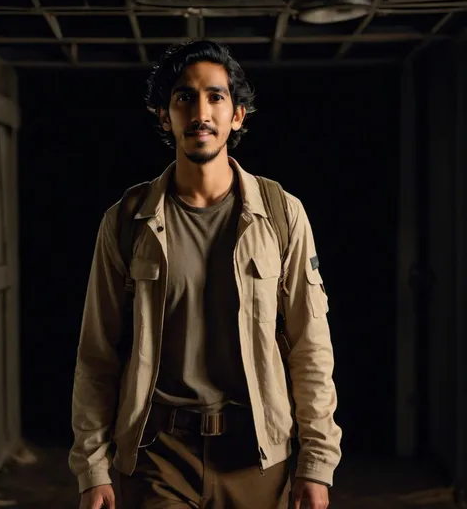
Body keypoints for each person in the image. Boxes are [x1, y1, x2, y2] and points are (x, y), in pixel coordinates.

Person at [69, 40, 342, 509]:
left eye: (215, 97)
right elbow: (98, 353)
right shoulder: (126, 220)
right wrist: (93, 466)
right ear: (164, 116)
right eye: (184, 98)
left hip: (257, 454)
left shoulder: (281, 214)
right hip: (158, 454)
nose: (201, 111)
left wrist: (316, 461)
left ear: (237, 115)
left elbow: (309, 344)